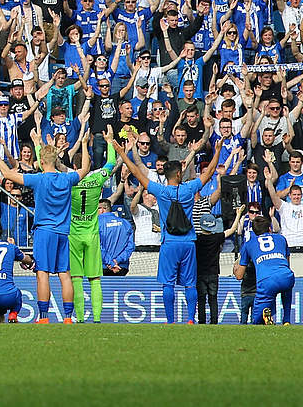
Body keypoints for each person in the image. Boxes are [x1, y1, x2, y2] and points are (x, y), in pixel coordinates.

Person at [117, 140, 221, 324]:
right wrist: (217, 150)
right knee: (190, 283)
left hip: (169, 242)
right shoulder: (189, 189)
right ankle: (190, 319)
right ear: (179, 174)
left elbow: (136, 172)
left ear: (165, 175)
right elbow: (210, 172)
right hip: (189, 242)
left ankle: (170, 320)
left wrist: (122, 153)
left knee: (168, 283)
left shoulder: (161, 191)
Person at [0, 138, 90, 323]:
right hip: (63, 232)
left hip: (44, 231)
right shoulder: (67, 178)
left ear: (42, 162)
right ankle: (68, 317)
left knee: (42, 272)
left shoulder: (39, 179)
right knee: (65, 274)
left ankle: (44, 317)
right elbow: (85, 169)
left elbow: (7, 174)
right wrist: (83, 144)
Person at [69, 135, 119, 322]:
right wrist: (109, 140)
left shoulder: (69, 180)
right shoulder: (97, 178)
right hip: (92, 234)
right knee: (95, 279)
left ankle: (81, 319)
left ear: (75, 167)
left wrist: (38, 145)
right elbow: (112, 162)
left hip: (74, 234)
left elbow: (45, 168)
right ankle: (97, 319)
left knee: (76, 279)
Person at [234, 216, 295, 325]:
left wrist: (235, 268)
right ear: (270, 229)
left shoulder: (248, 244)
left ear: (254, 231)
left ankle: (265, 318)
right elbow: (287, 264)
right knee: (286, 286)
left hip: (266, 281)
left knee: (257, 321)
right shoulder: (281, 239)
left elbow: (239, 276)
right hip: (286, 276)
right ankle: (286, 320)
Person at [97, 200, 134, 276]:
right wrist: (117, 260)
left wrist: (110, 262)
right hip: (121, 266)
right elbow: (130, 246)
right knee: (119, 287)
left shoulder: (97, 223)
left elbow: (97, 246)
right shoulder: (126, 223)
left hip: (103, 266)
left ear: (102, 209)